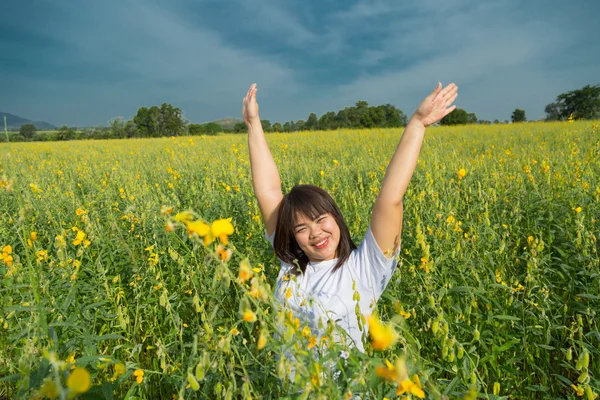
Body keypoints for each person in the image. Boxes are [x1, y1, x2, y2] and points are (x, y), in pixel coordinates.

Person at [242, 82, 458, 352]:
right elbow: (268, 191)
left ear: (336, 217)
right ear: (294, 236)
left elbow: (390, 199)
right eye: (302, 228)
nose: (315, 233)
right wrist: (252, 123)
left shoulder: (364, 269)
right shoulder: (291, 265)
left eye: (321, 219)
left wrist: (417, 123)